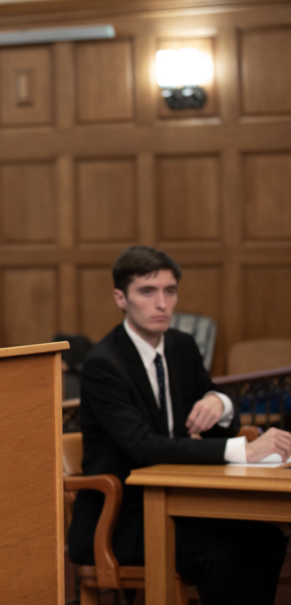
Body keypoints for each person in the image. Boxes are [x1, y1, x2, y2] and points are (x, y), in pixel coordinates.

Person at [67, 245, 290, 605]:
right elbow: (143, 445)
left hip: (181, 503)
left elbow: (209, 399)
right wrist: (243, 450)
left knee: (265, 541)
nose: (162, 304)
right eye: (147, 292)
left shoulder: (181, 346)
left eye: (169, 292)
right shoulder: (103, 365)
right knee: (217, 555)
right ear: (120, 298)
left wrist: (221, 402)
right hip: (123, 516)